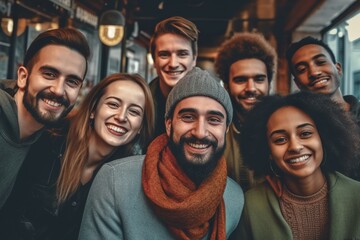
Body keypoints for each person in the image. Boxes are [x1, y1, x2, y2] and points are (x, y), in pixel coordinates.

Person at [79, 67, 244, 240]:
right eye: (188, 117)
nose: (200, 132)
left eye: (214, 120)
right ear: (168, 124)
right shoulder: (115, 181)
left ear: (225, 129)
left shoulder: (234, 198)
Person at [0, 73, 155, 240]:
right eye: (113, 104)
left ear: (140, 127)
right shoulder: (47, 141)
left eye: (134, 112)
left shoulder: (126, 180)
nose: (121, 117)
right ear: (93, 110)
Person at [238, 91, 360, 239]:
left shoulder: (356, 195)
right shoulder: (250, 206)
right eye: (280, 139)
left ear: (323, 137)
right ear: (268, 151)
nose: (295, 147)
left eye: (305, 133)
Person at [0, 28, 90, 209]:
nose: (58, 90)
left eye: (72, 81)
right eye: (49, 74)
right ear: (23, 77)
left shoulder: (47, 135)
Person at [214, 32, 277, 191]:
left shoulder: (284, 126)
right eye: (240, 80)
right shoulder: (216, 129)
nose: (251, 89)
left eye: (259, 79)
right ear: (227, 85)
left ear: (269, 83)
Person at [286, 36, 360, 126]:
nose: (314, 72)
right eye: (302, 69)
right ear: (298, 84)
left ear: (338, 69)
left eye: (321, 62)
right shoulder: (300, 125)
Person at [149, 16, 198, 138]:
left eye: (182, 54)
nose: (173, 64)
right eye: (164, 54)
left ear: (194, 59)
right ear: (154, 60)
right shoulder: (140, 104)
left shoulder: (211, 104)